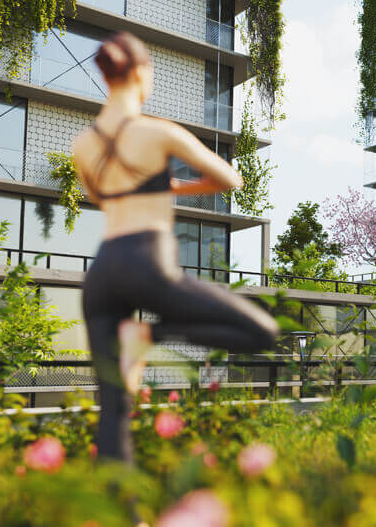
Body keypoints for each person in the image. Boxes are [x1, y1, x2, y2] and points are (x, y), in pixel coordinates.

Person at [72, 32, 279, 463]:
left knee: (114, 406)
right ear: (142, 72)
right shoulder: (156, 132)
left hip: (104, 271)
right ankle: (149, 334)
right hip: (148, 262)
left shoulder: (83, 145)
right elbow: (229, 178)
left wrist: (149, 185)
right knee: (262, 331)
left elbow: (100, 197)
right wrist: (174, 185)